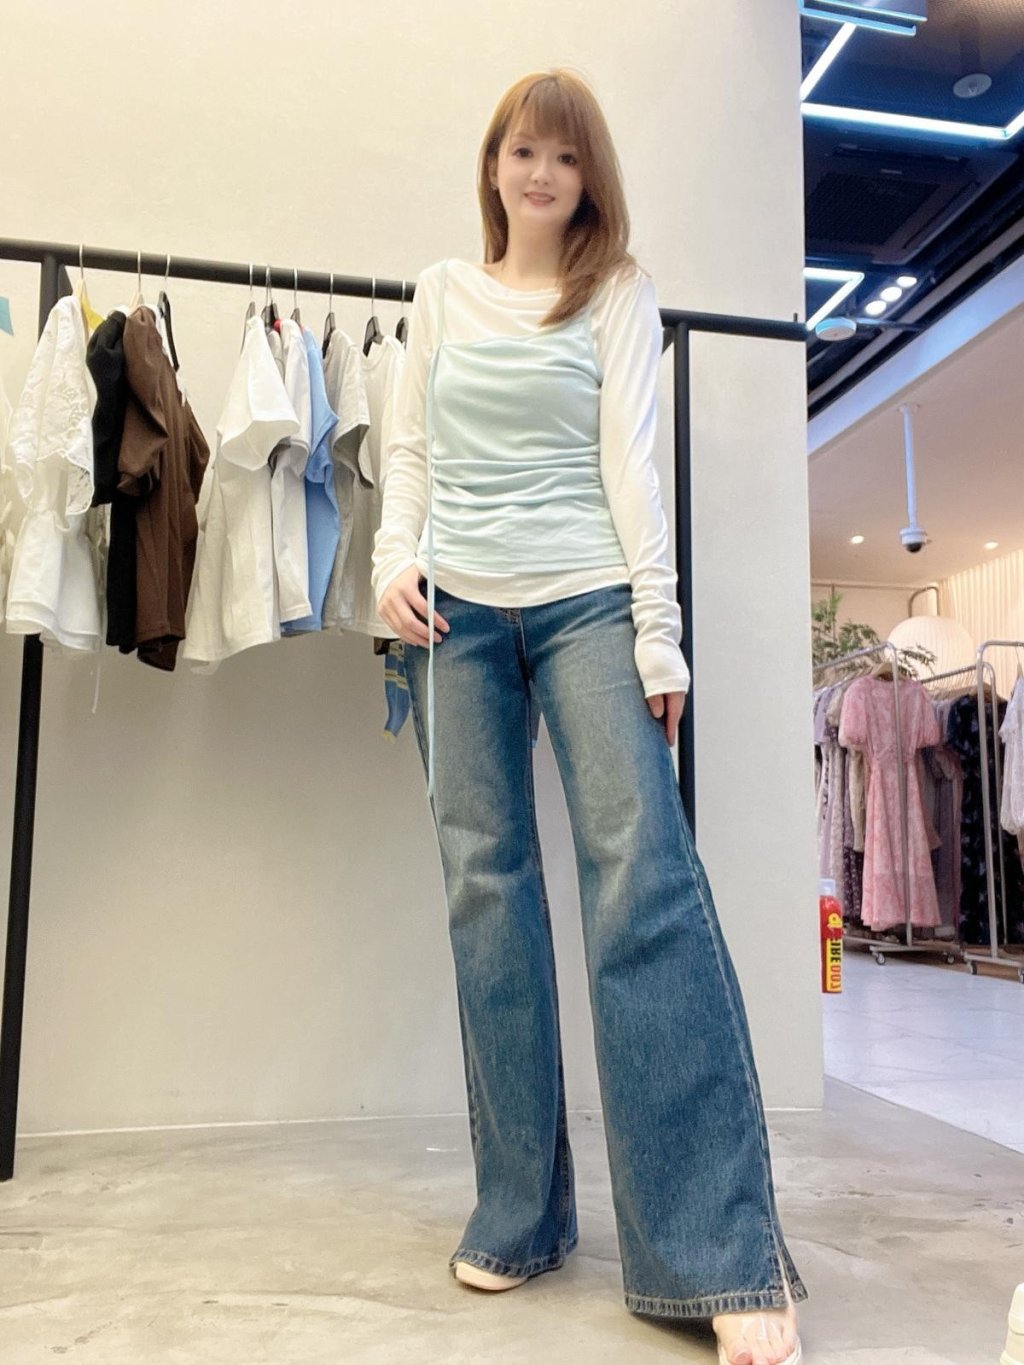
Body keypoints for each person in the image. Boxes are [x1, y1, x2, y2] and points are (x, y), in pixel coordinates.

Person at [372, 68, 806, 1365]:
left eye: (566, 155)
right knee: (486, 893)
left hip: (586, 603)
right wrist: (392, 559)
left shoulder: (618, 293)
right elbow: (410, 450)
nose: (542, 172)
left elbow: (633, 464)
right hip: (452, 617)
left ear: (589, 177)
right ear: (493, 164)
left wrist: (657, 635)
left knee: (644, 881)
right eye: (523, 149)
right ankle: (520, 1215)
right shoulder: (440, 294)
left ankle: (716, 1254)